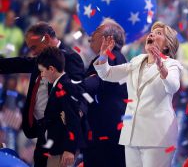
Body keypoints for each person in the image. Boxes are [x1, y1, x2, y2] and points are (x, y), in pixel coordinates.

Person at [94, 21, 182, 167]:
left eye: (159, 33)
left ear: (167, 45)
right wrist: (103, 56)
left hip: (157, 137)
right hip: (131, 135)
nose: (152, 34)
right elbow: (107, 74)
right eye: (152, 32)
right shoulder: (137, 61)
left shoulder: (172, 65)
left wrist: (161, 67)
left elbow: (173, 86)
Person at [0, 22, 84, 167]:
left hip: (60, 137)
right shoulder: (41, 59)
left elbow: (76, 103)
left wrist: (70, 147)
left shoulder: (70, 58)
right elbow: (18, 63)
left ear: (45, 38)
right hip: (42, 132)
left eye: (34, 47)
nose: (32, 52)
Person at [82, 18, 127, 167]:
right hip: (116, 134)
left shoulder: (109, 58)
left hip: (104, 137)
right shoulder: (120, 59)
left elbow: (92, 85)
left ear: (107, 39)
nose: (91, 36)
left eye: (96, 31)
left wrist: (71, 85)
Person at [37, 47, 82, 167]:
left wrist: (70, 149)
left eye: (42, 71)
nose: (41, 75)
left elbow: (74, 119)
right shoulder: (58, 85)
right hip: (56, 148)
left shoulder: (66, 86)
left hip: (63, 151)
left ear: (51, 69)